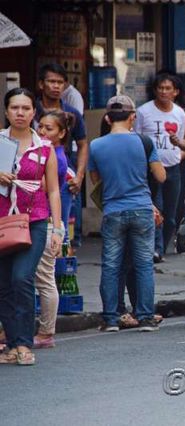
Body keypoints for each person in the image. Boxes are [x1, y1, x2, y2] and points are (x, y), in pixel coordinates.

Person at [89, 95, 167, 332]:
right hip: (142, 209)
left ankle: (111, 319)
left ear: (107, 118)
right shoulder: (144, 142)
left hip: (113, 210)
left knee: (111, 266)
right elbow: (161, 176)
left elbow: (95, 180)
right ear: (132, 117)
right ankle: (145, 317)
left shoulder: (96, 145)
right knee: (144, 265)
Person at [0, 88, 63, 365]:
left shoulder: (44, 147)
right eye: (15, 108)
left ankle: (25, 344)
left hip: (34, 221)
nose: (20, 113)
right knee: (3, 284)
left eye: (26, 108)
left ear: (33, 113)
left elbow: (53, 191)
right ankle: (11, 345)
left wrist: (58, 229)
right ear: (6, 112)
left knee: (22, 278)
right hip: (2, 221)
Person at [134, 73, 185, 263]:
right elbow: (137, 139)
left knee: (171, 215)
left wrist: (179, 148)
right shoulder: (143, 111)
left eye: (168, 88)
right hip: (151, 169)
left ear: (176, 92)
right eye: (161, 88)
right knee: (155, 210)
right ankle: (155, 250)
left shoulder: (180, 113)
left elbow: (182, 141)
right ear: (155, 90)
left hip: (174, 167)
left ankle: (162, 247)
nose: (164, 92)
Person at [33, 110, 75, 348]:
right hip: (44, 221)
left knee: (44, 278)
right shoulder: (47, 152)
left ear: (61, 133)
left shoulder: (54, 157)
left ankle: (47, 331)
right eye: (42, 126)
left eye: (49, 128)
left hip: (48, 221)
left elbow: (43, 188)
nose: (43, 132)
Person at [35, 64, 87, 243]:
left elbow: (82, 144)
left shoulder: (72, 114)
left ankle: (66, 255)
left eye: (60, 82)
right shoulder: (29, 111)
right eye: (51, 81)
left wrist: (79, 175)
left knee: (63, 223)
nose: (56, 86)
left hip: (63, 170)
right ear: (41, 84)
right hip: (33, 170)